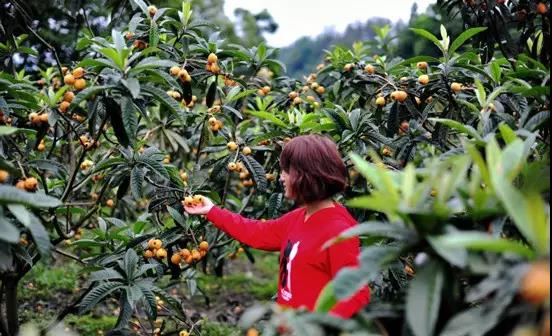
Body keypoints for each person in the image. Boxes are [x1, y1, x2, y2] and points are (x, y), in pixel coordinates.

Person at [183, 134, 370, 318]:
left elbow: (356, 295)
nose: (281, 178)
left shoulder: (338, 231)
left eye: (286, 171)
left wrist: (320, 327)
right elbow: (257, 232)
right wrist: (211, 210)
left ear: (305, 174)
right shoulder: (299, 217)